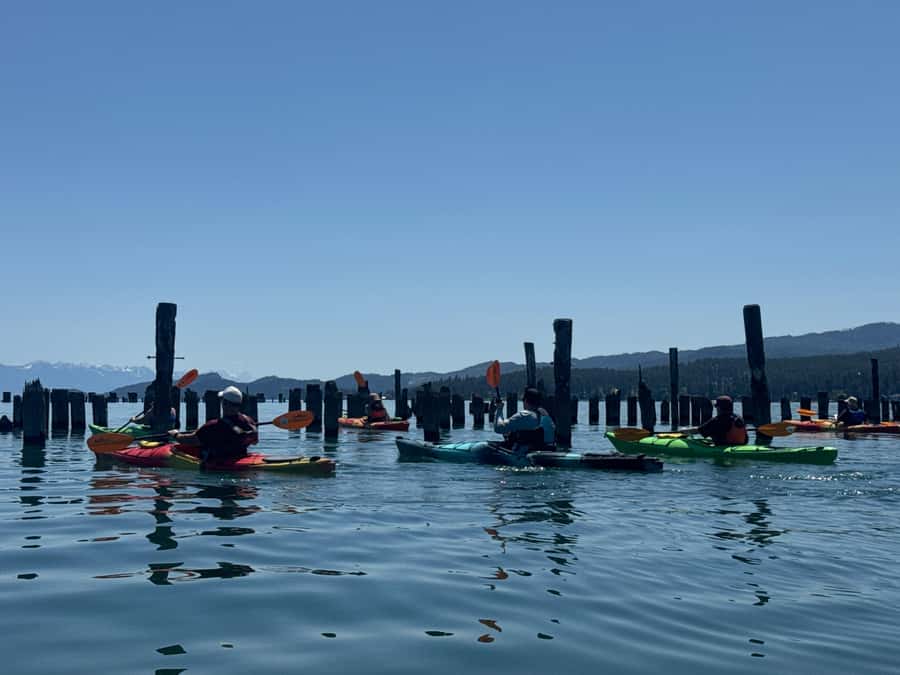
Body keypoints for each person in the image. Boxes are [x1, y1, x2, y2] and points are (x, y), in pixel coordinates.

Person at [169, 386, 258, 462]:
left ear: (224, 404)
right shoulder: (249, 421)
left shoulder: (214, 426)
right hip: (240, 456)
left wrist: (175, 434)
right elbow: (255, 441)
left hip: (221, 462)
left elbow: (190, 440)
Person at [492, 387, 556, 455]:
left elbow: (498, 428)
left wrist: (499, 409)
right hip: (547, 451)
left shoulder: (524, 415)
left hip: (527, 454)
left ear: (525, 400)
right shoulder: (546, 416)